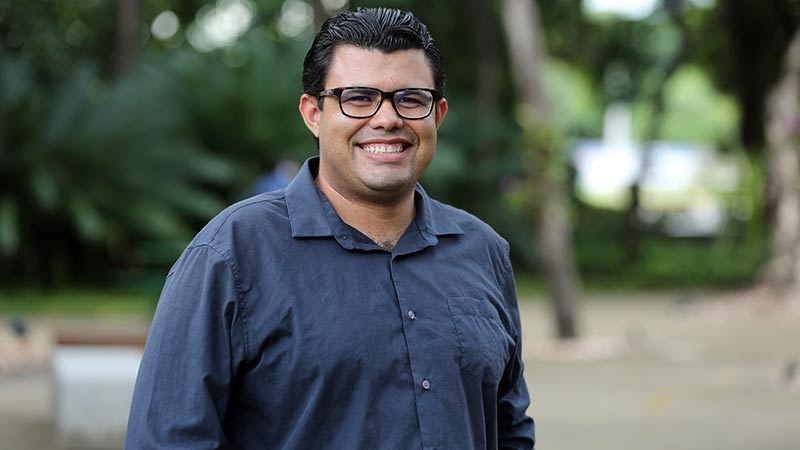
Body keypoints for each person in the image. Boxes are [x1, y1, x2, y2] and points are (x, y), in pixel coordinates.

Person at [125, 7, 535, 450]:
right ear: (313, 113)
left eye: (410, 99)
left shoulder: (482, 251)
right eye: (358, 97)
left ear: (437, 114)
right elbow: (168, 440)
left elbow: (509, 427)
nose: (387, 119)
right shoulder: (232, 255)